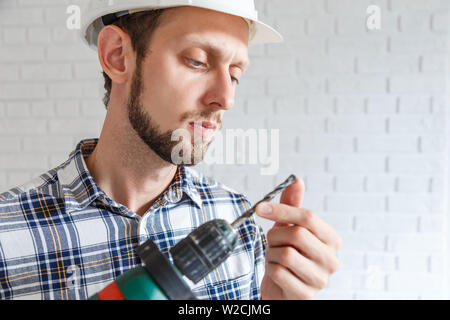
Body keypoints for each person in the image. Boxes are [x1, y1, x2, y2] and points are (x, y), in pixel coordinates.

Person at [0, 2, 342, 300]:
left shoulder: (236, 220)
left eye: (235, 75)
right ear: (117, 56)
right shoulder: (7, 234)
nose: (226, 97)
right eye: (197, 61)